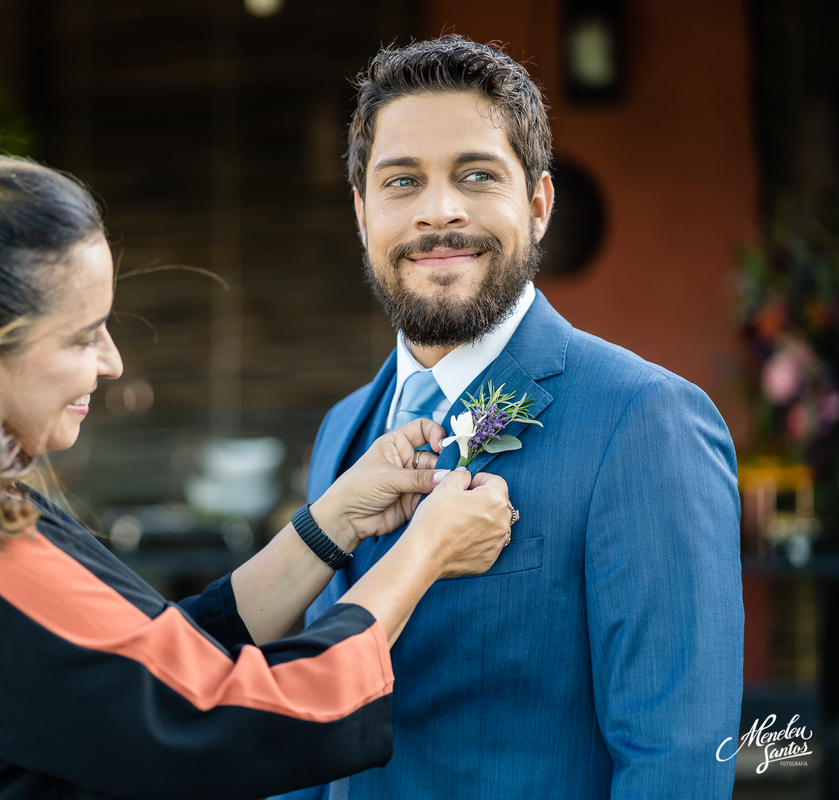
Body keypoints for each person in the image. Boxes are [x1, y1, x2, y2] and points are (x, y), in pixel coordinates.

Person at [0, 152, 515, 799]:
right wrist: (423, 555)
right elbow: (224, 723)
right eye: (83, 336)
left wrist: (332, 523)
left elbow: (157, 659)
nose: (111, 362)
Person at [274, 36, 744, 800]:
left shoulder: (645, 423)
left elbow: (678, 762)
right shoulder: (343, 429)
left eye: (475, 175)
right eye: (402, 182)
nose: (438, 211)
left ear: (537, 204)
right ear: (362, 215)